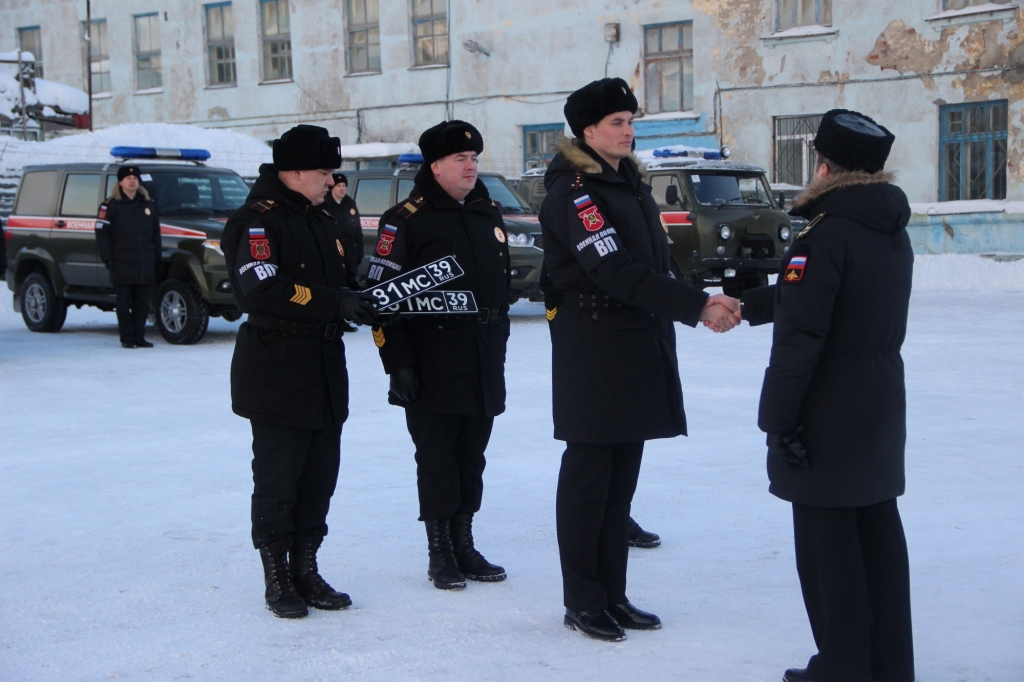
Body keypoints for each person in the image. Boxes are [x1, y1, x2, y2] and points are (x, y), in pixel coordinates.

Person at [539, 77, 740, 642]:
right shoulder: (575, 193)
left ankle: (613, 595)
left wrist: (698, 295)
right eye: (616, 123)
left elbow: (656, 261)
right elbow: (614, 271)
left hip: (634, 343)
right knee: (589, 483)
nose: (628, 132)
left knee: (619, 484)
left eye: (631, 121)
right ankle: (583, 600)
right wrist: (696, 306)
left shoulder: (624, 182)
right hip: (595, 348)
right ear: (588, 131)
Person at [739, 109, 915, 682]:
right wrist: (753, 302)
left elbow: (804, 337)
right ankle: (887, 666)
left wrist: (777, 422)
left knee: (827, 549)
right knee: (877, 538)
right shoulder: (885, 226)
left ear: (825, 165)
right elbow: (833, 303)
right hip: (878, 403)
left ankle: (841, 668)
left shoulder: (828, 232)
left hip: (827, 410)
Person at [222, 124, 380, 619]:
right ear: (292, 172)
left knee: (318, 479)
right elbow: (264, 289)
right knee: (278, 479)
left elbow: (341, 278)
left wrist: (367, 298)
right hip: (276, 369)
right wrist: (337, 302)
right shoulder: (256, 221)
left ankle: (307, 568)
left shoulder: (321, 218)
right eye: (322, 170)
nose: (330, 179)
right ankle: (277, 576)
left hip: (324, 369)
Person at [366, 120, 509, 591]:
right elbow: (380, 300)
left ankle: (464, 542)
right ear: (436, 166)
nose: (470, 167)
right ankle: (440, 551)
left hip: (482, 356)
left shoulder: (487, 212)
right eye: (460, 160)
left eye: (474, 159)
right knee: (437, 457)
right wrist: (398, 364)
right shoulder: (405, 219)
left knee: (473, 455)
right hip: (432, 357)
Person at [95, 165, 162, 348]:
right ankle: (127, 337)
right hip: (122, 259)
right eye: (128, 178)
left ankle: (139, 336)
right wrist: (108, 258)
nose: (132, 181)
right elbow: (101, 233)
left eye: (135, 178)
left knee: (142, 303)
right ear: (120, 182)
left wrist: (157, 256)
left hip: (144, 259)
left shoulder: (148, 204)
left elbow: (156, 232)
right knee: (124, 303)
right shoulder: (110, 205)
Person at [323, 172, 365, 332]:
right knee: (337, 286)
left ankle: (349, 317)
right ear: (332, 187)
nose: (342, 189)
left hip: (351, 253)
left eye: (344, 186)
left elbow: (357, 229)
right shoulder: (326, 203)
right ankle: (337, 318)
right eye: (339, 186)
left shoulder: (349, 203)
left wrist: (359, 252)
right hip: (335, 252)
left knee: (350, 284)